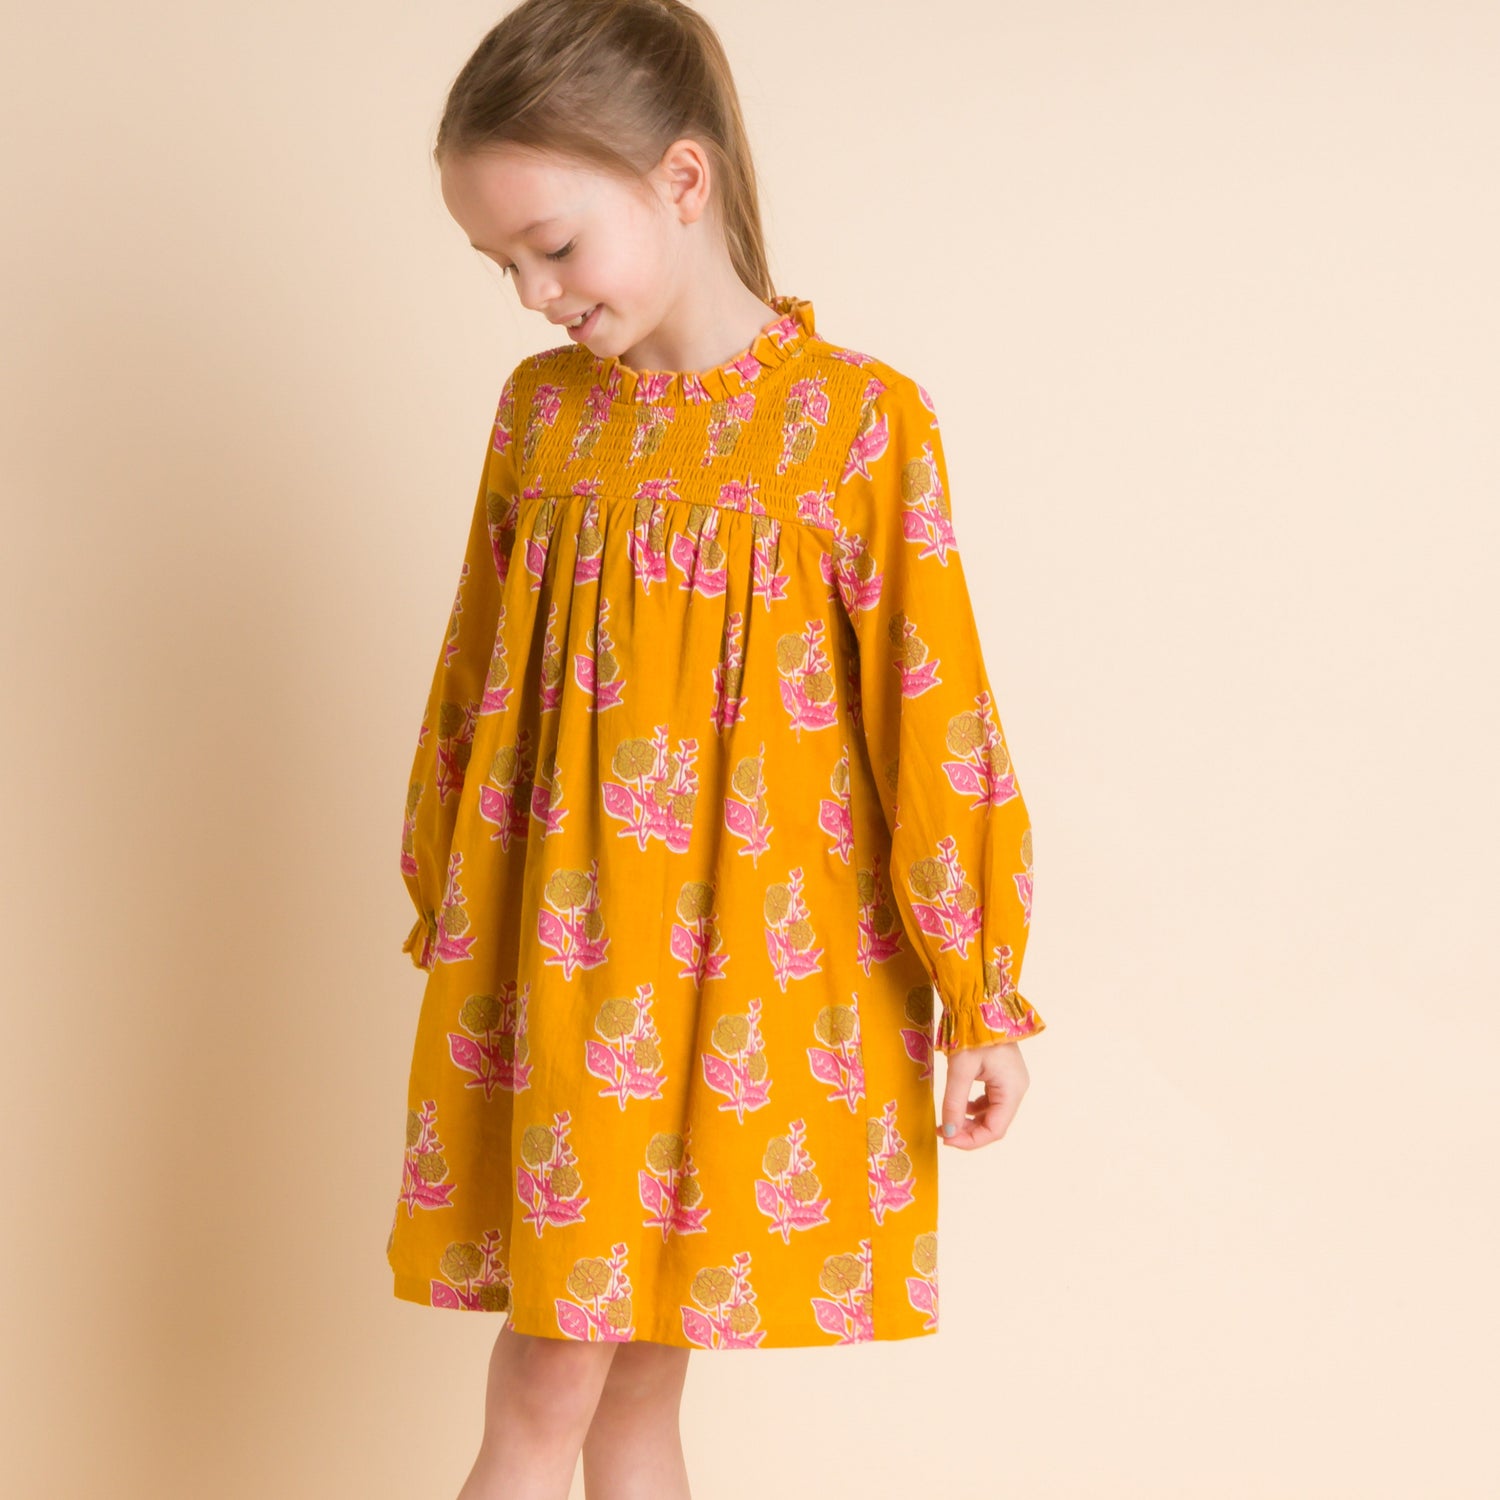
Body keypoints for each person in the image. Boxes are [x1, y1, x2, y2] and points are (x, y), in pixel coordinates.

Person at [385, 1, 1047, 1494]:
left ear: (682, 181)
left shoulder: (856, 426)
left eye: (554, 246)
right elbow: (474, 669)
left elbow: (933, 712)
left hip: (748, 974)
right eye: (501, 265)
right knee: (549, 1378)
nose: (532, 294)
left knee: (636, 1392)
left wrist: (979, 991)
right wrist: (449, 890)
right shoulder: (543, 420)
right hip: (570, 966)